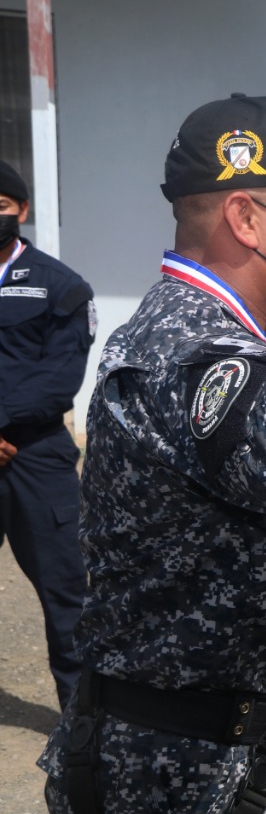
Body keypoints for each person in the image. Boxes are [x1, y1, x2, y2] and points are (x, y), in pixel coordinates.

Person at [36, 93, 266, 814]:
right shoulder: (185, 349)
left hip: (217, 758)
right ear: (245, 218)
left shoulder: (231, 340)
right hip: (173, 774)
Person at [0, 159, 94, 711]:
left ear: (22, 210)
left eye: (0, 206)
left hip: (35, 456)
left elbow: (58, 379)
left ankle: (81, 726)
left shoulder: (60, 286)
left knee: (67, 595)